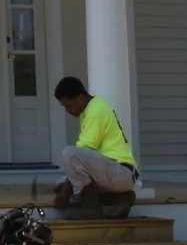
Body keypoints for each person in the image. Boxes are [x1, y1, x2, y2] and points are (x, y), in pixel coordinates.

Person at [53, 76, 138, 215]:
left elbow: (81, 152)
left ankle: (90, 209)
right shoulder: (89, 110)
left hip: (121, 171)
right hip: (113, 173)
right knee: (61, 183)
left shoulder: (96, 110)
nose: (67, 110)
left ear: (79, 97)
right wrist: (65, 188)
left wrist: (65, 193)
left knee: (69, 154)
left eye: (67, 105)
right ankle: (121, 199)